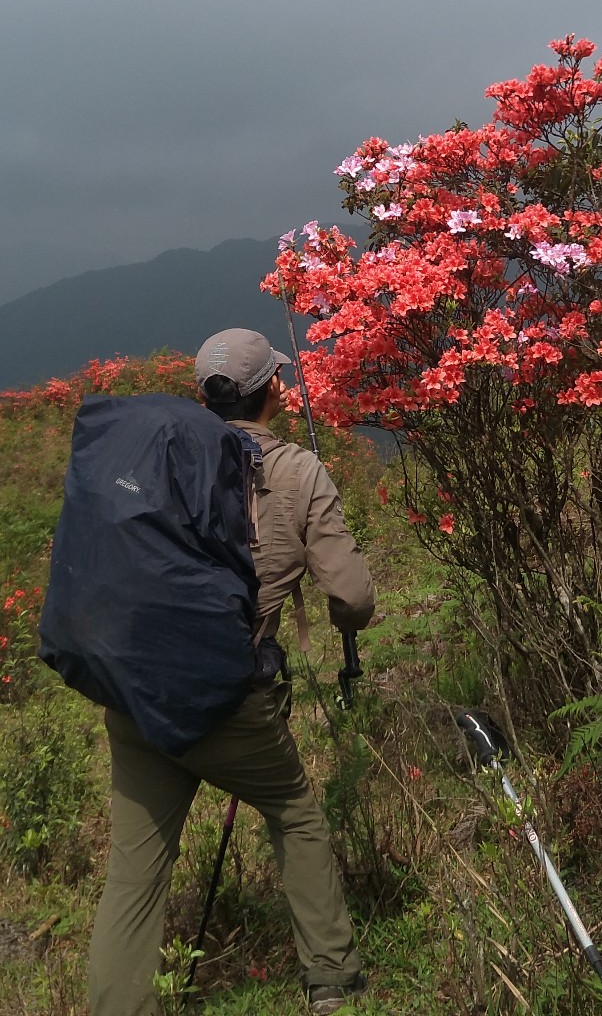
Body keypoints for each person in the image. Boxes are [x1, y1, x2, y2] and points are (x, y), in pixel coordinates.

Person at [85, 329, 376, 1016]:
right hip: (225, 695)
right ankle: (331, 979)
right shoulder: (298, 471)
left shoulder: (158, 460)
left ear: (203, 395)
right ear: (274, 389)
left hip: (135, 691)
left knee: (135, 872)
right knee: (296, 816)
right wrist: (343, 626)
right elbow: (354, 598)